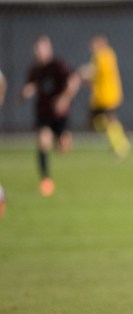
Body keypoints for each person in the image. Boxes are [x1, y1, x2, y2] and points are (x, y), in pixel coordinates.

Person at [21, 35, 80, 196]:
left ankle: (60, 140)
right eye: (37, 49)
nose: (39, 52)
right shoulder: (34, 70)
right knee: (42, 141)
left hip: (60, 114)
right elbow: (27, 89)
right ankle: (46, 180)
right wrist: (26, 92)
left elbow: (74, 80)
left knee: (63, 148)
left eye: (42, 48)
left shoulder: (58, 66)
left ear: (49, 49)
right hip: (44, 114)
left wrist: (64, 99)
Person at [79, 34, 130, 159]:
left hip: (107, 95)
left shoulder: (106, 55)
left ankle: (120, 144)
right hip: (99, 97)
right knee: (97, 121)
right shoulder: (98, 56)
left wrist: (86, 73)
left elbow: (97, 71)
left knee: (110, 119)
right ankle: (119, 140)